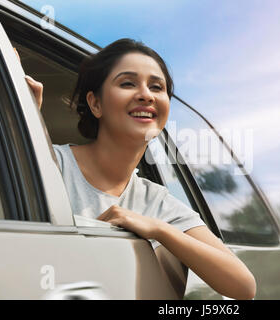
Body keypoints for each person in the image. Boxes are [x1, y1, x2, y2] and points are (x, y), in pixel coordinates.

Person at [18, 39, 256, 300]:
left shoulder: (157, 202)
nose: (146, 95)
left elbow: (243, 287)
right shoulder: (49, 163)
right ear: (95, 104)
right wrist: (22, 126)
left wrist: (159, 230)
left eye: (157, 87)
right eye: (128, 83)